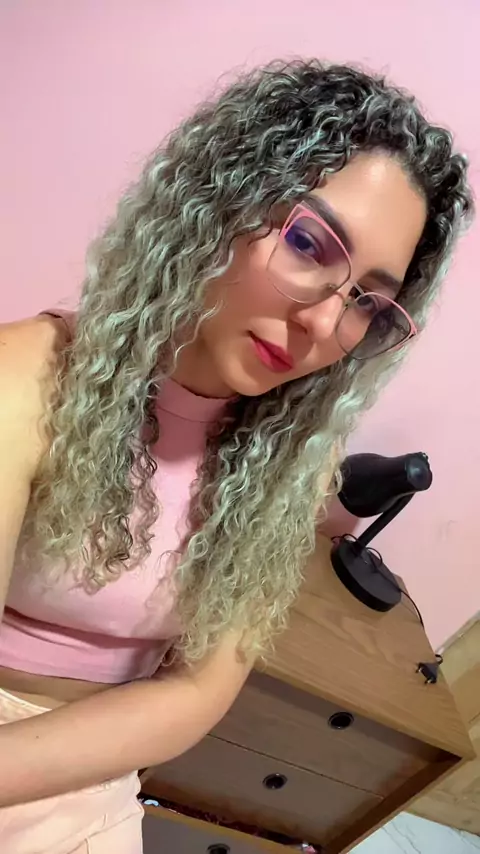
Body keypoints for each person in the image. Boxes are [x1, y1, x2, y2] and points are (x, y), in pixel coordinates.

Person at [0, 60, 472, 853]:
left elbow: (199, 692)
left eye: (368, 301)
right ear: (217, 205)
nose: (323, 322)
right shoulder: (25, 384)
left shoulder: (292, 462)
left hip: (96, 768)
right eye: (308, 243)